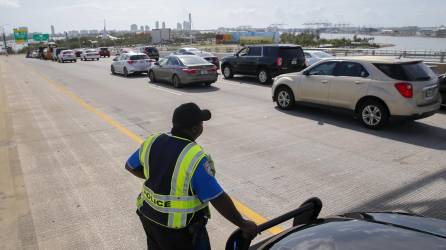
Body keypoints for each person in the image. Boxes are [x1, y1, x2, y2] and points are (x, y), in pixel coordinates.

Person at [125, 102, 257, 250]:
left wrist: (156, 176)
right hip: (180, 232)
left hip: (149, 218)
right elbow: (217, 197)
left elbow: (130, 166)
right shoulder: (195, 157)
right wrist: (243, 224)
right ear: (195, 129)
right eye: (201, 122)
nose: (202, 125)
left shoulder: (152, 141)